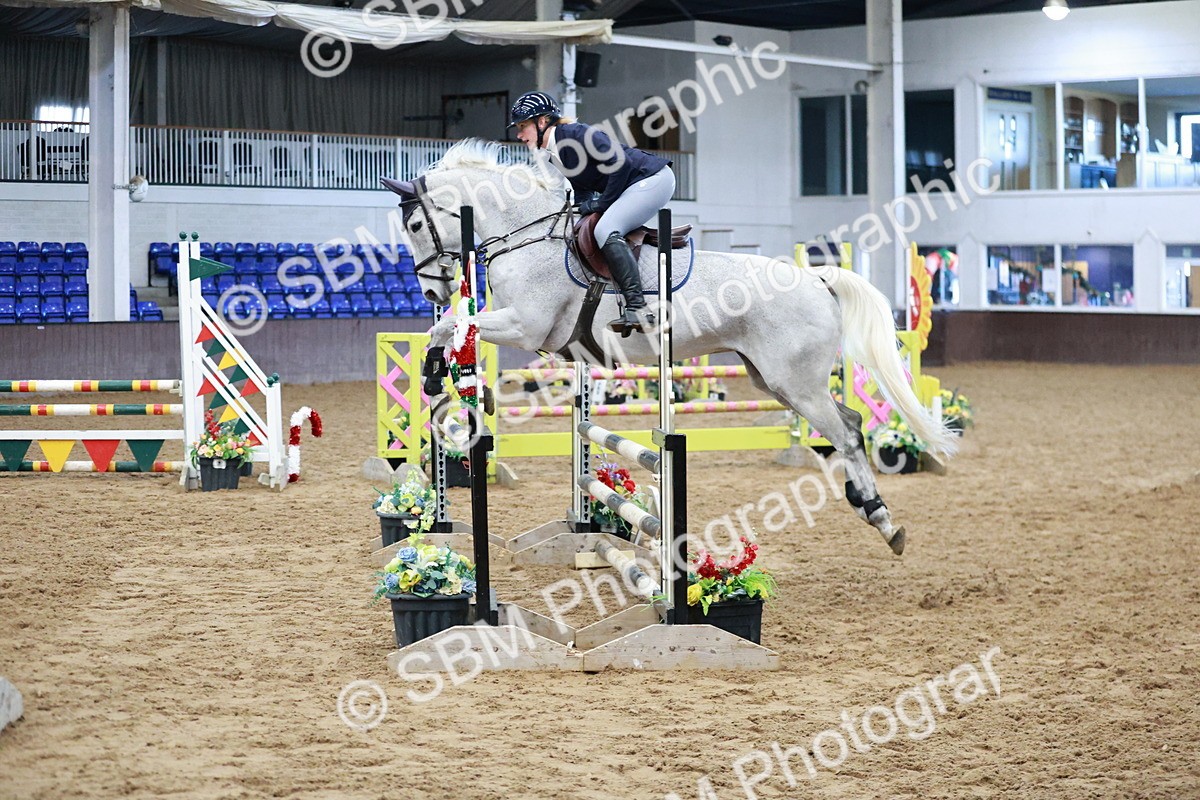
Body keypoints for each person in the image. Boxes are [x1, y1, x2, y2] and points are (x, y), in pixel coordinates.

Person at [509, 91, 676, 334]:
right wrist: (577, 213)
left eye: (523, 126)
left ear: (542, 122)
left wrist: (601, 205)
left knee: (607, 229)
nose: (519, 134)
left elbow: (620, 163)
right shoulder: (556, 153)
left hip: (653, 179)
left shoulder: (575, 135)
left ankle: (638, 308)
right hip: (632, 186)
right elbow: (584, 190)